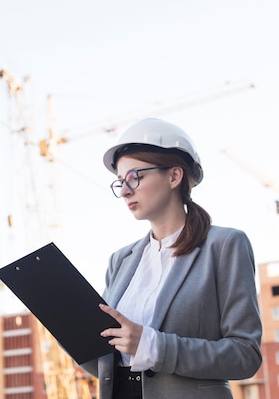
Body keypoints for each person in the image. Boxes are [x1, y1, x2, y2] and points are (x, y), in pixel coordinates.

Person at [79, 118, 262, 399]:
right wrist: (74, 336)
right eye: (120, 183)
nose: (125, 190)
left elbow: (245, 355)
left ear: (174, 177)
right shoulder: (121, 260)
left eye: (134, 177)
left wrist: (153, 346)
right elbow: (108, 364)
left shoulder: (224, 245)